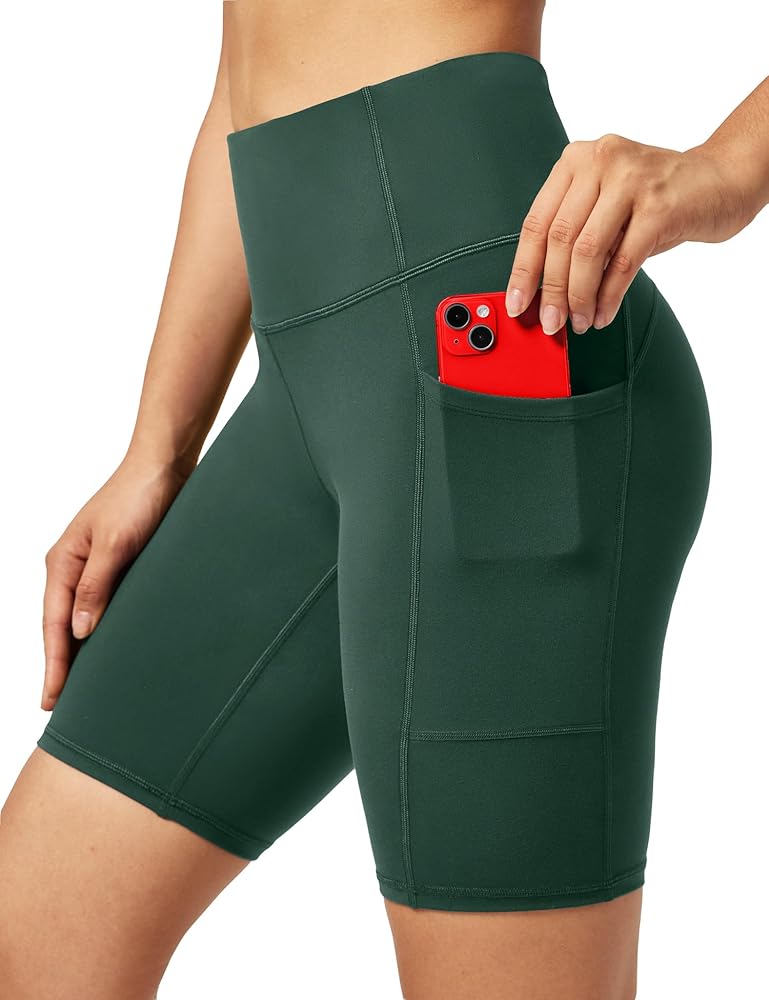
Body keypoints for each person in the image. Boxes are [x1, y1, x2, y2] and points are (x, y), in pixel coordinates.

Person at [1, 3, 767, 998]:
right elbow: (246, 75)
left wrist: (724, 172)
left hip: (499, 361)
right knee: (36, 932)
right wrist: (158, 446)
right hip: (307, 397)